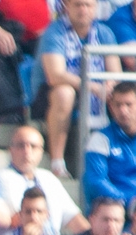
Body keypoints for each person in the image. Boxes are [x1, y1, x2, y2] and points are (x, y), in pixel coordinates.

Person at [37, 0, 118, 180]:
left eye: (88, 5)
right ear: (67, 7)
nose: (83, 10)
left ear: (95, 8)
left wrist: (109, 85)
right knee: (65, 93)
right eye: (78, 5)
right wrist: (92, 86)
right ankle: (57, 162)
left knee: (126, 97)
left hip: (97, 93)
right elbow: (55, 74)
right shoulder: (55, 32)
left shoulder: (104, 33)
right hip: (52, 95)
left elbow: (115, 73)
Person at [0, 125, 87, 235]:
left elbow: (75, 220)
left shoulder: (48, 178)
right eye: (21, 146)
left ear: (41, 152)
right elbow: (17, 219)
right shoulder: (2, 178)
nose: (27, 151)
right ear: (10, 150)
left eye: (33, 146)